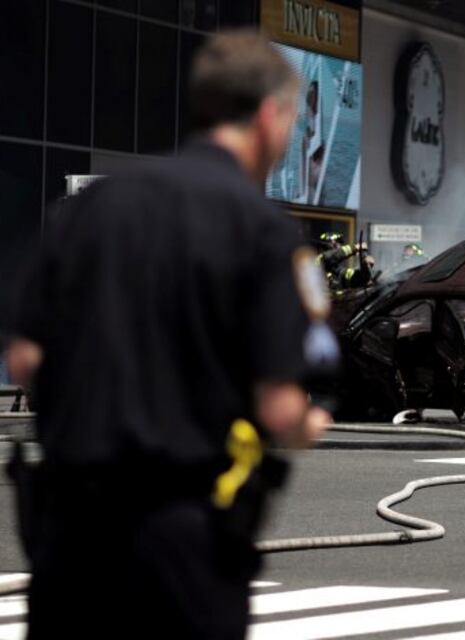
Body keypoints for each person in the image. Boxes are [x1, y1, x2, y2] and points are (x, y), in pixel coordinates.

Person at [4, 30, 333, 639]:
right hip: (183, 541)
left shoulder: (91, 210)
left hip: (71, 530)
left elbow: (25, 357)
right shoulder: (263, 234)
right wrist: (307, 425)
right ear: (268, 115)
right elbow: (281, 406)